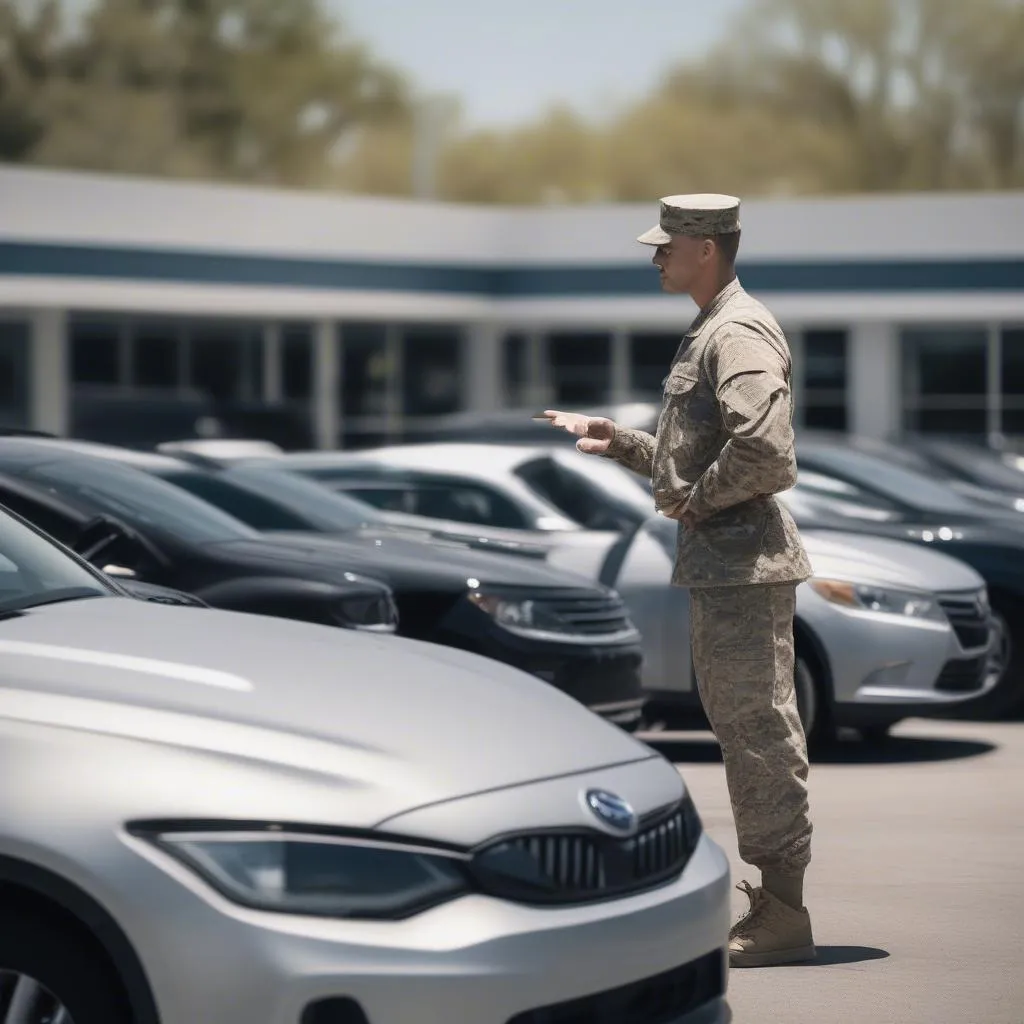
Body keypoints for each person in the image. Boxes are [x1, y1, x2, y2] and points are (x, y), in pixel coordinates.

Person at [541, 194, 816, 968]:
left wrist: (696, 502)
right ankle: (779, 901)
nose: (655, 257)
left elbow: (766, 451)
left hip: (743, 565)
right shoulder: (714, 326)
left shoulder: (737, 328)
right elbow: (699, 448)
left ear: (706, 248)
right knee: (743, 728)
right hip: (725, 565)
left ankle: (786, 912)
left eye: (667, 246)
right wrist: (621, 440)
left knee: (758, 731)